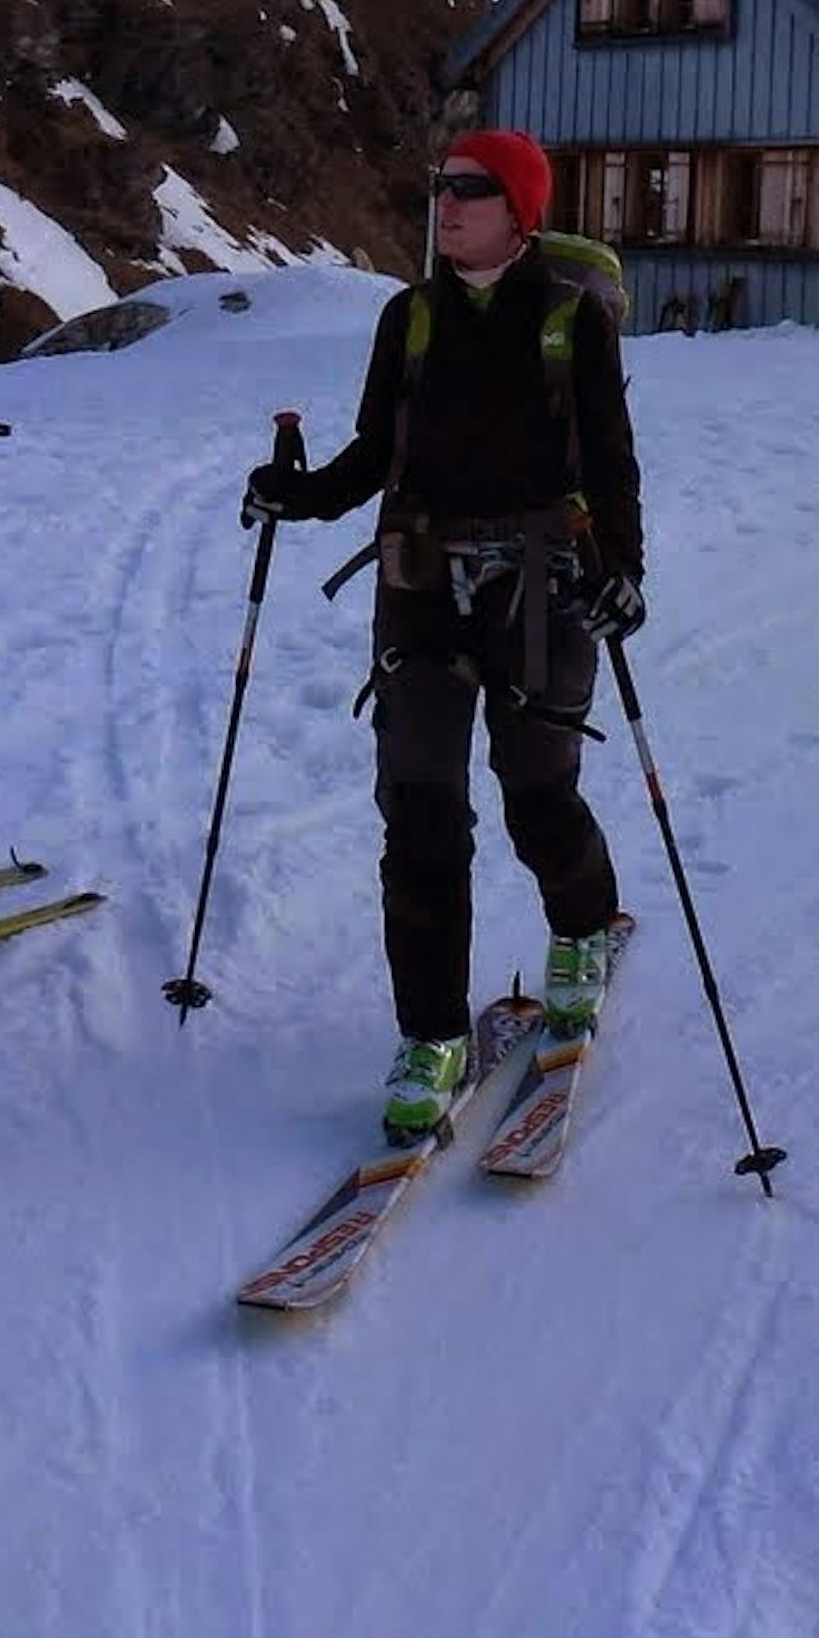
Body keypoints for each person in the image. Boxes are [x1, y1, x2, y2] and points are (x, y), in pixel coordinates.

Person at [239, 129, 640, 1140]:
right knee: (418, 808)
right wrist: (302, 494)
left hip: (545, 580)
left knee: (537, 792)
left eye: (470, 190)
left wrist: (623, 573)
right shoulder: (408, 318)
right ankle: (430, 1035)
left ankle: (583, 927)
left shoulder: (566, 317)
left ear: (520, 209)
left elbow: (611, 460)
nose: (445, 204)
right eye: (441, 187)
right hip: (420, 578)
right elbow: (381, 449)